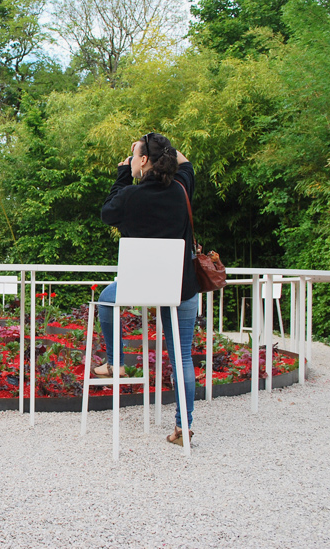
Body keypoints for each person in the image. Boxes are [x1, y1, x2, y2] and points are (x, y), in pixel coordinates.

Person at [94, 133, 199, 446]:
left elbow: (107, 212)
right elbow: (185, 163)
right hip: (181, 288)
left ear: (143, 160)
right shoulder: (182, 188)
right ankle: (183, 428)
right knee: (182, 358)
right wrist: (160, 147)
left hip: (137, 289)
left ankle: (116, 361)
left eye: (135, 153)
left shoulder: (130, 196)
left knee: (104, 300)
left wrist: (124, 172)